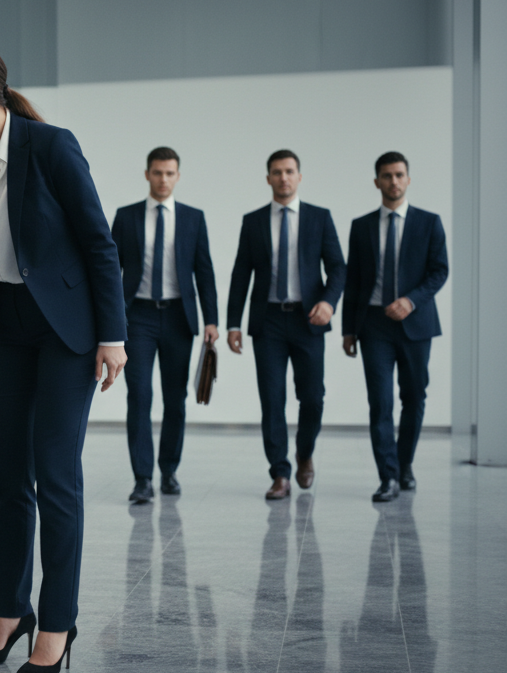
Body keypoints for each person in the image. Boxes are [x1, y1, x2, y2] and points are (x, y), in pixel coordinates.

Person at [0, 37, 127, 673]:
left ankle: (60, 622)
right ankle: (10, 612)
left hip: (66, 332)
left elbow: (100, 246)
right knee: (9, 477)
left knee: (56, 475)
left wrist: (113, 336)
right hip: (6, 330)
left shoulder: (52, 147)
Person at [226, 150, 346, 500]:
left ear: (299, 176)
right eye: (276, 172)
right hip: (269, 322)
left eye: (289, 171)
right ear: (268, 178)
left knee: (312, 398)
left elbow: (338, 267)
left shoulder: (319, 218)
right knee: (272, 399)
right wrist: (233, 323)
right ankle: (280, 472)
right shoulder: (253, 221)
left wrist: (328, 302)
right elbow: (240, 275)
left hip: (308, 319)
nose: (283, 177)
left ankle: (305, 451)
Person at [111, 147, 219, 504]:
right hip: (137, 317)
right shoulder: (126, 217)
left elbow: (204, 272)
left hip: (178, 317)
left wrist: (212, 320)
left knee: (176, 399)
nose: (163, 179)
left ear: (178, 176)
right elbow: (110, 273)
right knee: (139, 396)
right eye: (157, 172)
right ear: (147, 174)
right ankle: (143, 478)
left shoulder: (192, 218)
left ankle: (169, 470)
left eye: (170, 173)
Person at [341, 152, 448, 502]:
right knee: (380, 401)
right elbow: (353, 280)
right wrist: (349, 329)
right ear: (377, 182)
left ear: (409, 179)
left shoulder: (429, 223)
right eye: (386, 176)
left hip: (416, 324)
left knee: (414, 397)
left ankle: (404, 465)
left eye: (400, 175)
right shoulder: (361, 226)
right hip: (374, 325)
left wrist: (412, 300)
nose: (394, 181)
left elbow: (439, 271)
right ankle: (387, 476)